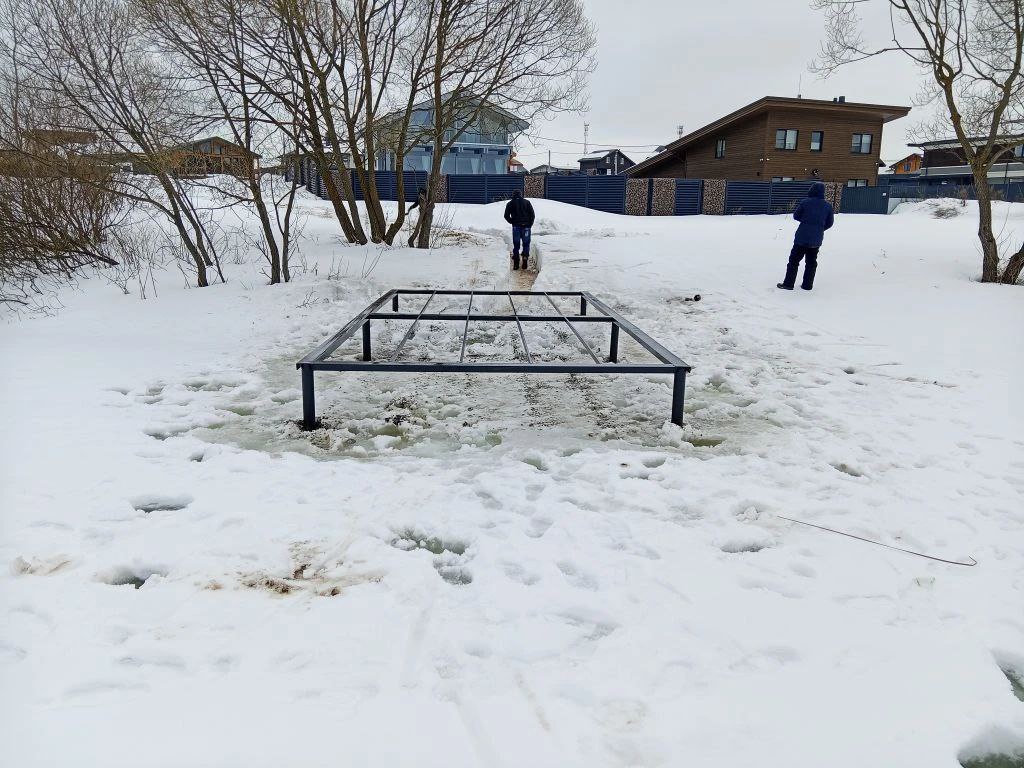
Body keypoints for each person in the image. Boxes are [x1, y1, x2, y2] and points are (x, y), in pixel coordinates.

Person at [778, 181, 834, 291]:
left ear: (811, 190)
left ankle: (788, 284)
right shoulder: (827, 206)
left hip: (801, 238)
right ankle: (807, 285)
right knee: (811, 263)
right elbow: (830, 223)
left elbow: (796, 216)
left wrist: (806, 221)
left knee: (794, 261)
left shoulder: (805, 202)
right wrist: (819, 228)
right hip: (816, 240)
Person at [503, 189, 535, 270]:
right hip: (526, 227)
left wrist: (512, 222)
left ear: (513, 195)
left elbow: (506, 216)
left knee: (516, 245)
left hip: (516, 227)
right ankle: (525, 260)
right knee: (526, 244)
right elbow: (532, 215)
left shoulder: (510, 203)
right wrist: (529, 225)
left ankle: (516, 263)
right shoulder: (527, 202)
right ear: (521, 194)